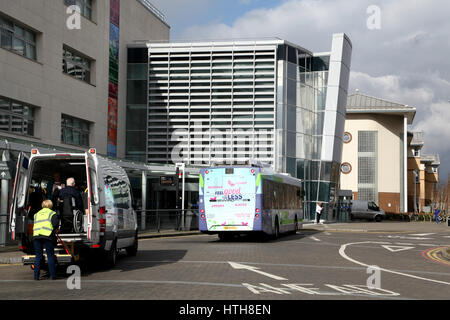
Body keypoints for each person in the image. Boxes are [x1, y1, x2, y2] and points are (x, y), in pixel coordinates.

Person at [33, 200, 59, 280]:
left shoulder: (36, 214)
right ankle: (52, 275)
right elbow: (55, 225)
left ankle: (36, 276)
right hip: (47, 235)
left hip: (37, 236)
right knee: (50, 255)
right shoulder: (52, 213)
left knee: (38, 256)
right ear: (50, 205)